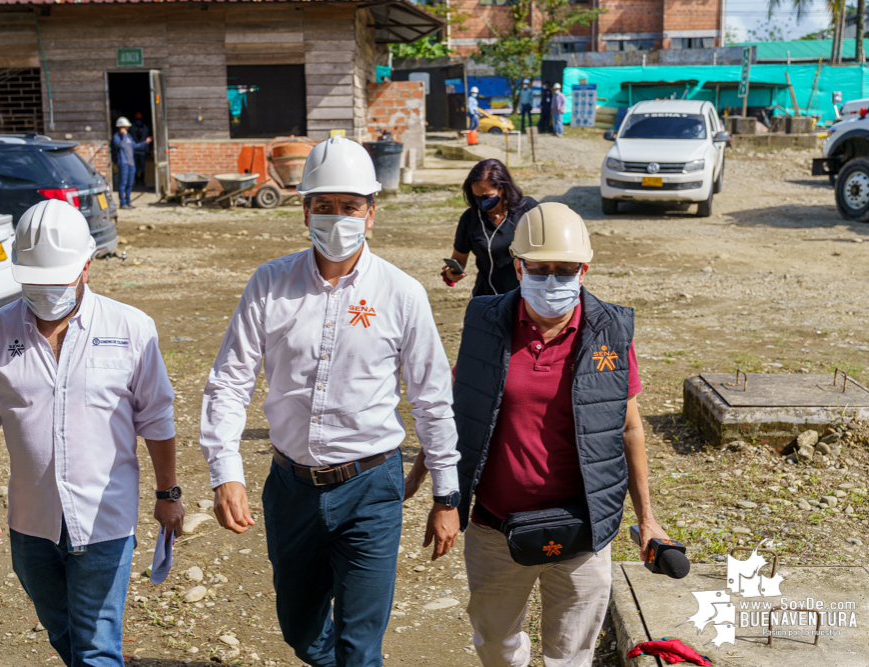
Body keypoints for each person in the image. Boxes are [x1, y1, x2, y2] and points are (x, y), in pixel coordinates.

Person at [199, 136, 460, 667]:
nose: (336, 218)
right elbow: (230, 380)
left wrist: (447, 496)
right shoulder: (270, 285)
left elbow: (433, 399)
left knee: (361, 644)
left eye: (349, 207)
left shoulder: (401, 293)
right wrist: (226, 470)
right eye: (324, 206)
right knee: (300, 629)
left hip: (371, 486)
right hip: (291, 488)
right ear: (304, 210)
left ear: (370, 213)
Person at [0, 199, 183, 667]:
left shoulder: (131, 328)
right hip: (31, 522)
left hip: (105, 519)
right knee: (63, 630)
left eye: (56, 278)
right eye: (34, 280)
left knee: (97, 647)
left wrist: (168, 493)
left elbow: (156, 418)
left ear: (87, 264)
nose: (45, 290)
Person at [443, 202, 667, 667]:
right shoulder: (484, 323)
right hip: (494, 528)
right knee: (498, 648)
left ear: (583, 270)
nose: (550, 281)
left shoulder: (609, 332)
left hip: (584, 528)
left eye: (563, 270)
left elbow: (629, 428)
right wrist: (439, 494)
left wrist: (647, 519)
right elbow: (455, 407)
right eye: (538, 269)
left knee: (571, 656)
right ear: (518, 267)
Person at [440, 158, 538, 297]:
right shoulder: (470, 219)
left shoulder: (528, 209)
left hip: (528, 298)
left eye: (488, 196)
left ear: (503, 188)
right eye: (477, 196)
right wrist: (451, 274)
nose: (482, 202)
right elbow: (459, 260)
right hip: (488, 298)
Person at [112, 116, 151, 209]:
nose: (127, 129)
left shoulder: (129, 137)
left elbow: (135, 146)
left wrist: (145, 142)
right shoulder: (116, 137)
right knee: (123, 183)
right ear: (121, 127)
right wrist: (124, 136)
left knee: (130, 184)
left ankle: (128, 201)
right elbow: (120, 145)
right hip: (123, 163)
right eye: (125, 127)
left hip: (131, 163)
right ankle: (122, 203)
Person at [130, 112, 152, 188]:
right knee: (135, 168)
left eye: (139, 119)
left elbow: (147, 140)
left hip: (142, 151)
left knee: (143, 168)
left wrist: (147, 151)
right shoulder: (132, 128)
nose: (138, 121)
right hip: (135, 151)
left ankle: (142, 180)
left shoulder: (145, 128)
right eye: (137, 119)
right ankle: (136, 181)